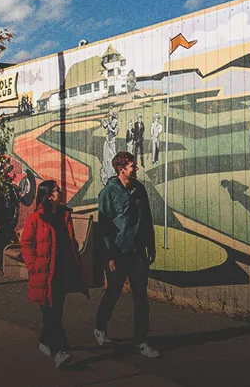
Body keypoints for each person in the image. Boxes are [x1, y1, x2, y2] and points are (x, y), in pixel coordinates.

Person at [93, 151, 160, 358]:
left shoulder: (139, 189)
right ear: (122, 169)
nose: (136, 168)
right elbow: (104, 227)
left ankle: (142, 341)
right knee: (113, 292)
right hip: (118, 253)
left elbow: (147, 217)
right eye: (132, 166)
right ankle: (100, 327)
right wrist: (110, 255)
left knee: (141, 297)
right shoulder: (108, 193)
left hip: (138, 252)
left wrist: (151, 244)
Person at [20, 180, 90, 368]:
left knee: (55, 312)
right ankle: (59, 352)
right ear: (49, 195)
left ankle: (45, 341)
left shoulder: (64, 215)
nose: (61, 192)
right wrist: (33, 266)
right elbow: (26, 243)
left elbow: (69, 241)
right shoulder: (36, 218)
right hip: (43, 273)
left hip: (61, 271)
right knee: (50, 313)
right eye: (57, 190)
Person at [100, 112, 119, 185]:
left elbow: (114, 132)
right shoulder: (110, 124)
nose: (114, 121)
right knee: (106, 160)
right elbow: (104, 125)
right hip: (107, 143)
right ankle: (106, 177)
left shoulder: (116, 127)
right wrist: (105, 122)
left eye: (115, 120)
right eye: (113, 119)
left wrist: (108, 125)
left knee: (112, 160)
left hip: (112, 145)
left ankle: (112, 176)